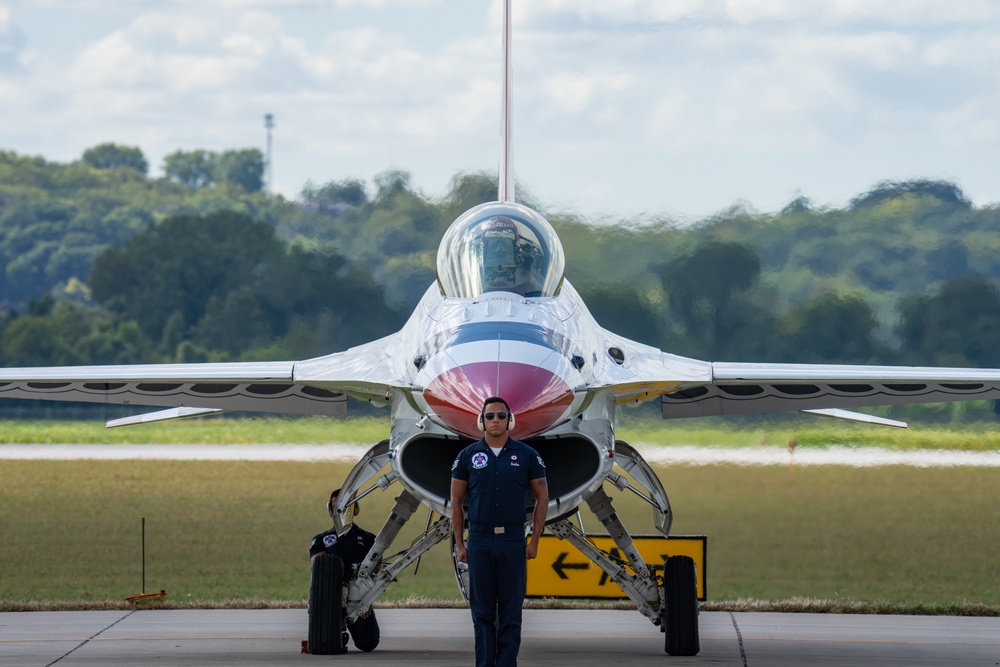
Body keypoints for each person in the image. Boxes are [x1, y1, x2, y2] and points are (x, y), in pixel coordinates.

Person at [451, 396, 548, 667]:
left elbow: (542, 497)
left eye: (501, 416)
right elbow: (456, 503)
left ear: (510, 420)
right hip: (479, 541)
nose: (496, 421)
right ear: (481, 420)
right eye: (490, 416)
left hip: (513, 540)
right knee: (481, 613)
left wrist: (535, 541)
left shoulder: (527, 455)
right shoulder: (466, 457)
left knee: (510, 613)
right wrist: (460, 544)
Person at [308, 488, 380, 652]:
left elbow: (375, 572)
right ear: (330, 509)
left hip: (358, 597)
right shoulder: (321, 540)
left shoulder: (369, 539)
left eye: (347, 506)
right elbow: (319, 565)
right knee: (325, 645)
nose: (341, 510)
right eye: (336, 506)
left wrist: (365, 602)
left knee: (368, 643)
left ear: (355, 509)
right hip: (330, 597)